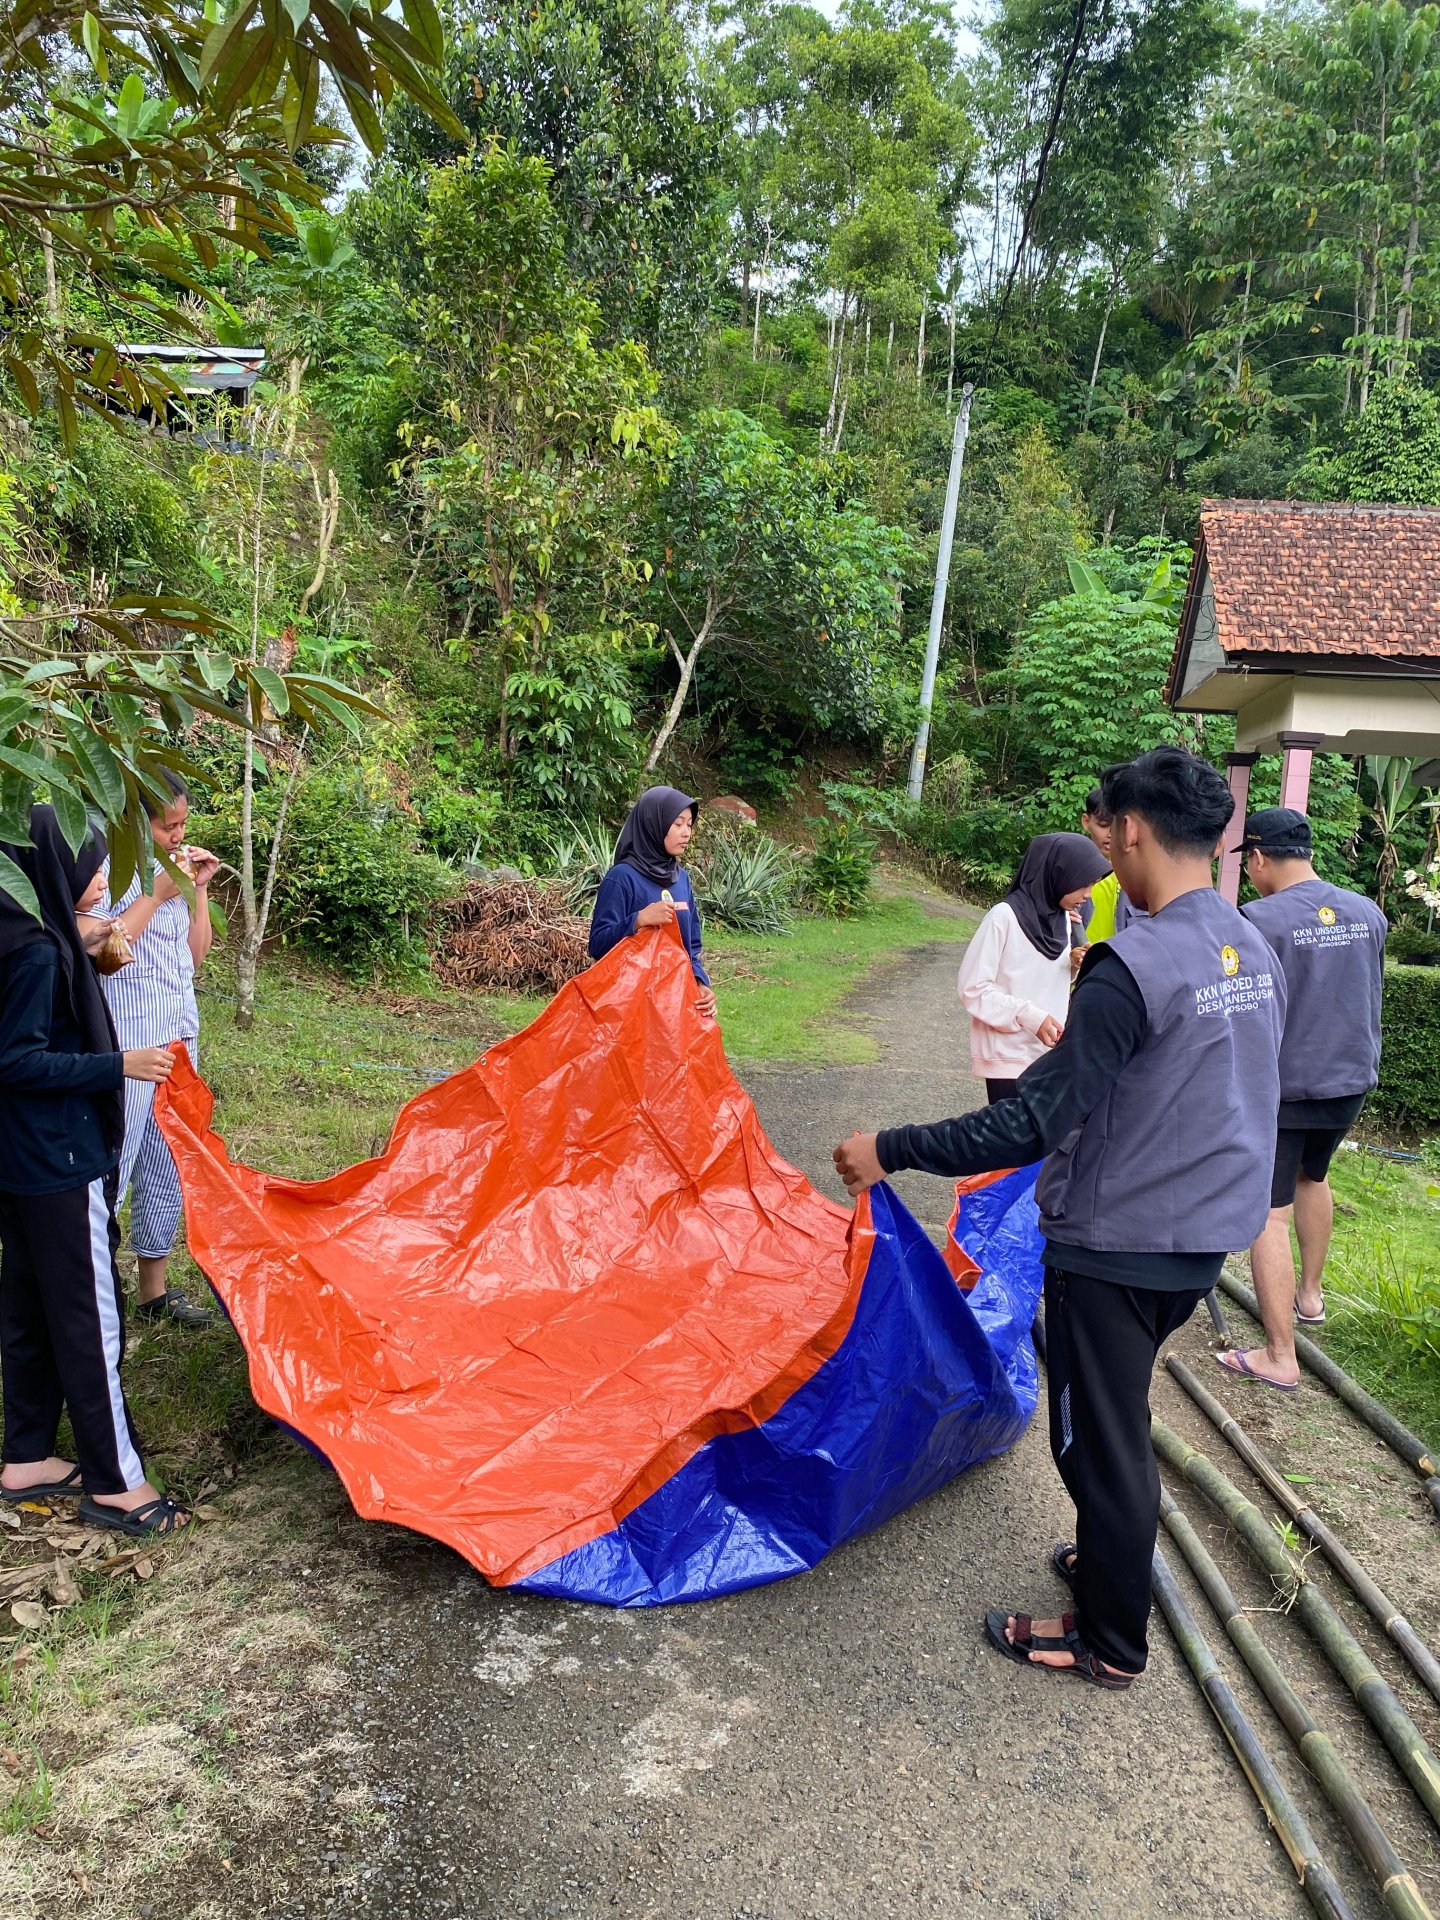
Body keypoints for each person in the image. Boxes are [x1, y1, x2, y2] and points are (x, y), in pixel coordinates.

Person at [833, 748, 1284, 1690]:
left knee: (1096, 1441)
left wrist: (890, 1147)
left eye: (1106, 833)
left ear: (1132, 830)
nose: (1102, 851)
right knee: (1120, 1415)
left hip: (1119, 1245)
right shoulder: (1247, 946)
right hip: (1203, 1235)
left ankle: (1110, 1642)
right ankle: (1109, 1561)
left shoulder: (1132, 966)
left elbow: (1029, 1122)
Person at [0, 807, 189, 1536]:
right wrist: (118, 1064)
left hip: (20, 1157)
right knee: (89, 1319)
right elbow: (17, 1061)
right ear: (56, 866)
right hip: (60, 1156)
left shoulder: (23, 930)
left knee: (28, 1306)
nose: (105, 876)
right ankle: (117, 1482)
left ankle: (27, 1457)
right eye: (94, 863)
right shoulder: (37, 953)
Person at [1217, 808, 1388, 1391]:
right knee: (1314, 1178)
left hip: (1286, 1089)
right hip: (1350, 1083)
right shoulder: (1367, 913)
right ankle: (1309, 1298)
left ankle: (1279, 1355)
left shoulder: (1257, 921)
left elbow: (1237, 1007)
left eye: (1249, 863)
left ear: (1258, 857)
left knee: (1270, 1213)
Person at [87, 770, 220, 1328]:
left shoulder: (174, 876)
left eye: (183, 825)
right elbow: (101, 955)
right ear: (133, 824)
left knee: (168, 1160)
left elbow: (194, 957)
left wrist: (198, 890)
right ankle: (94, 1288)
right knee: (115, 1161)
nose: (178, 836)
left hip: (177, 1037)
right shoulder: (104, 875)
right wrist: (154, 894)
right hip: (128, 1046)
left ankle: (153, 1292)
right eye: (168, 826)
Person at [957, 833, 1109, 1103]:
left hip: (1048, 1055)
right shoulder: (1003, 917)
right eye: (1083, 884)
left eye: (1092, 885)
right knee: (1014, 1131)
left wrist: (1072, 965)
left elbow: (1038, 975)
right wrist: (1029, 1016)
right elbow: (973, 988)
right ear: (1058, 875)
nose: (1088, 894)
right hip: (1008, 1059)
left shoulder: (1062, 918)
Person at [588, 788, 717, 1019]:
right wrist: (638, 920)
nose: (686, 832)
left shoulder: (681, 879)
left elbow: (692, 945)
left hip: (674, 1007)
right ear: (654, 824)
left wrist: (700, 982)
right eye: (678, 824)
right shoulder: (622, 878)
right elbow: (598, 945)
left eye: (689, 825)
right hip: (629, 1009)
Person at [1080, 788, 1137, 943]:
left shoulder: (1139, 874)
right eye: (1103, 825)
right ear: (1086, 821)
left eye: (1117, 826)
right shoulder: (1071, 870)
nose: (1111, 834)